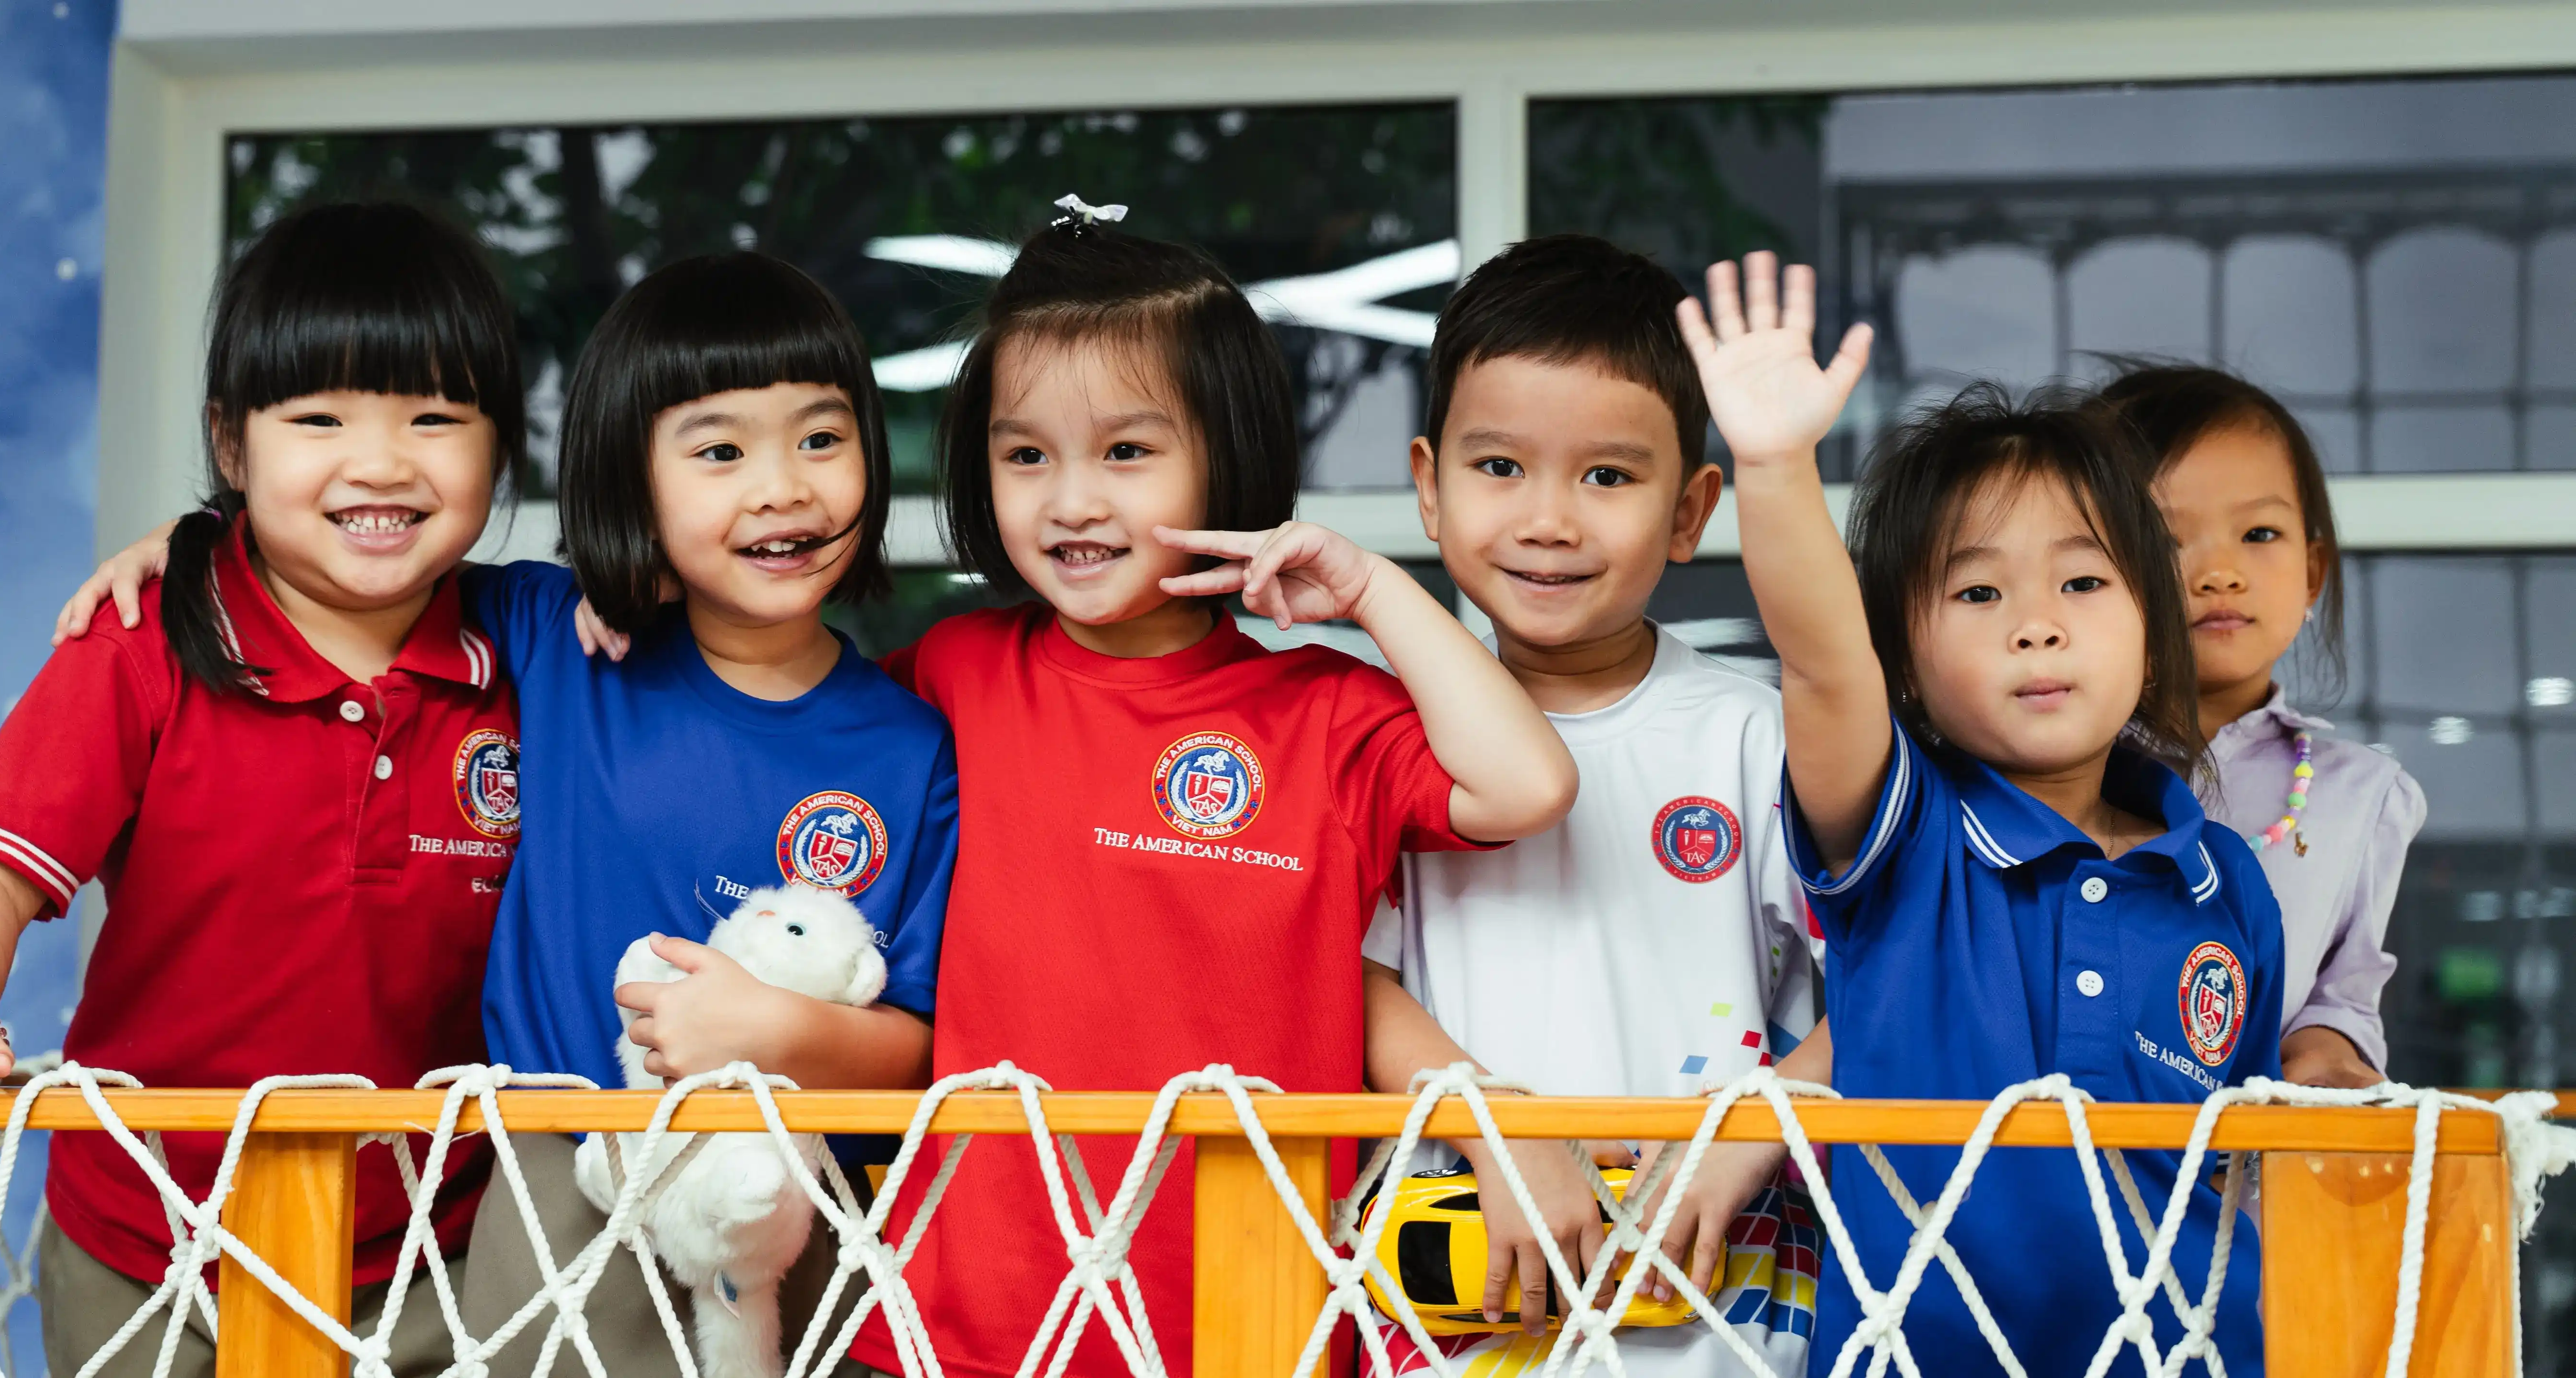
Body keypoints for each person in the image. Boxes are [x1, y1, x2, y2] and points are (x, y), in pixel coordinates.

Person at [56, 252, 957, 1378]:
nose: (783, 486)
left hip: (799, 1197)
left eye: (821, 439)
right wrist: (193, 553)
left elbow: (920, 1044)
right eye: (720, 450)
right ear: (630, 482)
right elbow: (329, 561)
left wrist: (775, 1036)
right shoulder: (548, 633)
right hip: (560, 1188)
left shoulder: (911, 744)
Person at [836, 200, 1579, 1378]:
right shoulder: (951, 675)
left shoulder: (1324, 711)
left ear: (1224, 454)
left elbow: (1528, 784)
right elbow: (774, 742)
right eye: (1026, 454)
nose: (1071, 500)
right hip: (965, 1326)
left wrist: (1376, 587)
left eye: (1126, 451)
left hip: (1250, 1321)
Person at [0, 201, 527, 1378]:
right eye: (317, 418)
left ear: (500, 447)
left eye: (434, 417)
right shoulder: (146, 639)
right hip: (145, 1235)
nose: (380, 462)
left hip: (434, 1252)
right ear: (229, 441)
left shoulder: (540, 656)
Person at [1684, 253, 2278, 1375]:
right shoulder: (1901, 835)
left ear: (2153, 623)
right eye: (1976, 591)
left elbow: (2236, 1167)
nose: (2036, 625)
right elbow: (1821, 668)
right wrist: (1771, 468)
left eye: (2082, 581)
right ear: (1903, 658)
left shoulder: (2226, 882)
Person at [1357, 235, 1827, 1378]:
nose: (1549, 519)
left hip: (1720, 1308)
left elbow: (1885, 990)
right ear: (1428, 486)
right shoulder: (1382, 731)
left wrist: (1742, 1140)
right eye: (1499, 467)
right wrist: (1493, 1124)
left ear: (1691, 508)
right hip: (1462, 1301)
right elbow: (1348, 978)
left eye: (1607, 476)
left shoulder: (1750, 732)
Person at [2104, 364, 2423, 1090]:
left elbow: (2340, 999)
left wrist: (2328, 1055)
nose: (2219, 572)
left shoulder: (2363, 794)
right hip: (2063, 1163)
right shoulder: (2048, 763)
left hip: (2243, 1189)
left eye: (2258, 532)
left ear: (2312, 573)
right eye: (2161, 540)